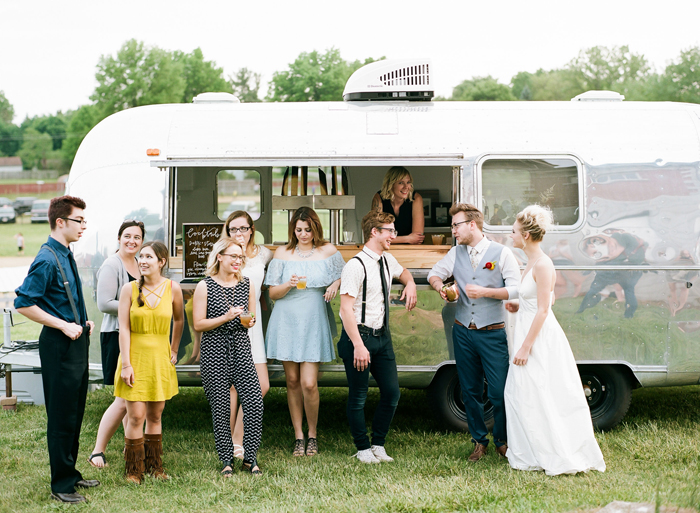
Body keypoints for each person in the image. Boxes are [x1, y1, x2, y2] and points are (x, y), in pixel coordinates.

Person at [504, 205, 606, 475]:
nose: (509, 234)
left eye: (513, 230)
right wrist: (513, 304)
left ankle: (556, 451)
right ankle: (530, 451)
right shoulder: (530, 261)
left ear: (525, 235)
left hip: (538, 338)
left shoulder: (544, 263)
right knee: (521, 392)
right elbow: (531, 298)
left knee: (542, 392)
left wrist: (526, 345)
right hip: (526, 329)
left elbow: (544, 308)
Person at [15, 196, 98, 504]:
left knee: (74, 413)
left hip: (76, 341)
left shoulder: (65, 252)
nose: (84, 226)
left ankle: (71, 474)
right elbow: (23, 302)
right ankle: (61, 484)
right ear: (60, 222)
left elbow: (62, 296)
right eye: (79, 220)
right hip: (59, 346)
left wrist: (79, 320)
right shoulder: (47, 258)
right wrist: (63, 325)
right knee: (62, 417)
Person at [428, 203, 520, 462]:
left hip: (492, 333)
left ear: (472, 224)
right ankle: (479, 441)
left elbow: (516, 289)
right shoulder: (455, 252)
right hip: (463, 332)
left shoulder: (502, 253)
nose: (453, 230)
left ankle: (502, 440)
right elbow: (435, 274)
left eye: (456, 225)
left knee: (499, 392)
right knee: (469, 391)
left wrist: (487, 292)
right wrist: (442, 288)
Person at [338, 210, 417, 464]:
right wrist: (359, 346)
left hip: (383, 337)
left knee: (392, 393)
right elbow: (345, 309)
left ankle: (378, 445)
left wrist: (411, 283)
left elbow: (403, 272)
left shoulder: (387, 260)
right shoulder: (355, 265)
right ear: (375, 232)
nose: (393, 235)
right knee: (358, 395)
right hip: (358, 338)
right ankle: (362, 448)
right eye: (390, 231)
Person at [264, 206, 344, 457]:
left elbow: (347, 274)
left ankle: (313, 434)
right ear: (292, 230)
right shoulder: (283, 253)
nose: (303, 234)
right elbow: (271, 294)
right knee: (292, 381)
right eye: (298, 230)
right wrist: (287, 284)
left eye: (308, 229)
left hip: (313, 317)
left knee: (309, 383)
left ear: (316, 228)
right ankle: (298, 436)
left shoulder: (328, 250)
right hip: (286, 317)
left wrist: (335, 284)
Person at [193, 238, 264, 476]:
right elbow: (199, 324)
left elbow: (250, 316)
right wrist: (225, 317)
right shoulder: (205, 285)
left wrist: (249, 320)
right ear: (219, 256)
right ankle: (226, 461)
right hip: (214, 350)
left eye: (240, 257)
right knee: (221, 408)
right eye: (233, 256)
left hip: (242, 348)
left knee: (254, 402)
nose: (238, 260)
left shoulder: (247, 284)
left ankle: (250, 458)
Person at [115, 241, 184, 484]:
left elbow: (179, 320)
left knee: (156, 415)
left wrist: (174, 349)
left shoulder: (173, 288)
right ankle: (134, 469)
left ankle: (155, 466)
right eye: (140, 256)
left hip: (160, 358)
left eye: (148, 257)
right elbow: (123, 327)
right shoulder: (129, 289)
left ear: (161, 262)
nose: (142, 260)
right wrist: (126, 364)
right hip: (134, 356)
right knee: (135, 415)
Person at [87, 220, 145, 468]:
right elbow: (103, 304)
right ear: (119, 238)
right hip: (116, 336)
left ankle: (130, 445)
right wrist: (138, 307)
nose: (132, 241)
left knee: (131, 396)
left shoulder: (139, 263)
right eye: (128, 236)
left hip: (136, 337)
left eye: (137, 237)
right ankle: (97, 451)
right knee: (123, 399)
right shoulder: (112, 264)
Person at [222, 211, 272, 462]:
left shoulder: (264, 253)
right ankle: (229, 442)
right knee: (232, 386)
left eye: (243, 229)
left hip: (254, 324)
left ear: (252, 229)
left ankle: (238, 437)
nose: (238, 234)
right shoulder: (226, 254)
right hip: (232, 321)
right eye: (233, 229)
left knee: (261, 385)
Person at [371, 166, 425, 245]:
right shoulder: (379, 198)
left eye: (408, 182)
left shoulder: (416, 199)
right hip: (384, 250)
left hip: (410, 251)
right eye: (401, 183)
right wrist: (407, 238)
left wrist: (387, 239)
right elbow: (375, 236)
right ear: (391, 184)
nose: (406, 187)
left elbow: (417, 239)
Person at [668, 250, 697, 316]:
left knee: (685, 289)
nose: (685, 257)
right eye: (684, 254)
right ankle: (674, 308)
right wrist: (676, 260)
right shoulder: (676, 259)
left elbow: (696, 270)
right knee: (672, 290)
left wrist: (692, 260)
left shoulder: (691, 261)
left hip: (686, 276)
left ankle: (680, 306)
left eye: (687, 254)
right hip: (673, 274)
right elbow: (669, 266)